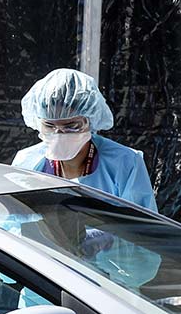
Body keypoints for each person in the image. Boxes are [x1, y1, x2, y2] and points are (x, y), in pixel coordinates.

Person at [13, 68, 157, 212]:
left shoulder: (124, 163)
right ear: (38, 123)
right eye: (49, 125)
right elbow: (12, 221)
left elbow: (141, 227)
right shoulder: (27, 163)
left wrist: (93, 234)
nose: (59, 134)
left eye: (71, 126)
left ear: (91, 120)